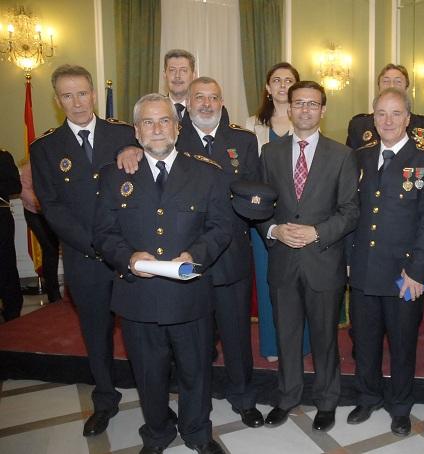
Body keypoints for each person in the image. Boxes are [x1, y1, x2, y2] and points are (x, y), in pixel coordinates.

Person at [116, 77, 265, 428]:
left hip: (227, 256)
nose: (207, 103)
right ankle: (190, 400)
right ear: (186, 105)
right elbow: (144, 148)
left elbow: (255, 195)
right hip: (176, 262)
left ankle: (243, 396)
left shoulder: (243, 140)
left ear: (222, 101)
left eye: (214, 97)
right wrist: (128, 149)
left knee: (235, 334)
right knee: (190, 342)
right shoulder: (169, 134)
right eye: (200, 97)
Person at [94, 93, 231, 454]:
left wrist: (195, 255)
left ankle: (198, 431)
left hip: (190, 295)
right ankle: (157, 433)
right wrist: (128, 258)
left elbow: (220, 228)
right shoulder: (113, 175)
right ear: (137, 132)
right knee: (148, 375)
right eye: (149, 123)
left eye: (165, 121)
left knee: (196, 371)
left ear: (177, 126)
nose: (157, 129)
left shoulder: (206, 173)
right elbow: (103, 233)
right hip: (138, 296)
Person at [31, 64, 137, 436]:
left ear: (93, 93)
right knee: (96, 331)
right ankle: (105, 398)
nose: (76, 102)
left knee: (141, 331)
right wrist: (94, 244)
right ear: (57, 99)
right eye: (67, 95)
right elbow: (52, 206)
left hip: (129, 257)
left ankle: (154, 398)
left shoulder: (126, 134)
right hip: (86, 258)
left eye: (82, 93)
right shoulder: (45, 147)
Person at [258, 81, 359, 432]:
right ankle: (287, 397)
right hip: (284, 261)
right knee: (286, 335)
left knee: (324, 339)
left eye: (313, 104)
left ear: (323, 110)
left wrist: (317, 232)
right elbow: (260, 207)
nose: (305, 110)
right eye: (299, 103)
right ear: (289, 108)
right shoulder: (269, 154)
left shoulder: (342, 155)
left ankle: (327, 401)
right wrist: (273, 230)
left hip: (323, 260)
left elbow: (349, 211)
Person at [347, 87, 424, 437]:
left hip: (405, 274)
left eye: (395, 113)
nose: (387, 121)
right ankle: (368, 395)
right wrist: (347, 262)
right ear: (373, 117)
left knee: (403, 344)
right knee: (365, 341)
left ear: (408, 118)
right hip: (363, 269)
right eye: (381, 114)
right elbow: (349, 213)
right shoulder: (358, 157)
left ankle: (401, 406)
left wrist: (418, 271)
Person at [244, 62, 311, 362]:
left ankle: (304, 343)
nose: (283, 85)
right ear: (268, 88)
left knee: (302, 283)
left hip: (303, 219)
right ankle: (272, 346)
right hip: (265, 221)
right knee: (269, 281)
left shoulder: (308, 121)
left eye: (289, 80)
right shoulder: (249, 126)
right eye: (276, 80)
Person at [346, 63, 424, 149]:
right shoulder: (359, 126)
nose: (391, 85)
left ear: (406, 87)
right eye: (386, 81)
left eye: (398, 81)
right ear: (379, 87)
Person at [20, 160, 62, 304]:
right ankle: (53, 292)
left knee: (55, 249)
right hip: (34, 213)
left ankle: (61, 290)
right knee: (50, 248)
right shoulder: (30, 167)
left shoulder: (57, 161)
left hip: (52, 212)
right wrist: (41, 203)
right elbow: (23, 189)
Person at [0, 148, 23, 321]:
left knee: (5, 263)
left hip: (0, 217)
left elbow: (15, 186)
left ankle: (12, 311)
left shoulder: (3, 156)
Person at [163, 49, 197, 119]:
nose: (177, 76)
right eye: (172, 70)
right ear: (164, 75)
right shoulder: (152, 109)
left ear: (194, 76)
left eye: (183, 70)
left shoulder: (207, 110)